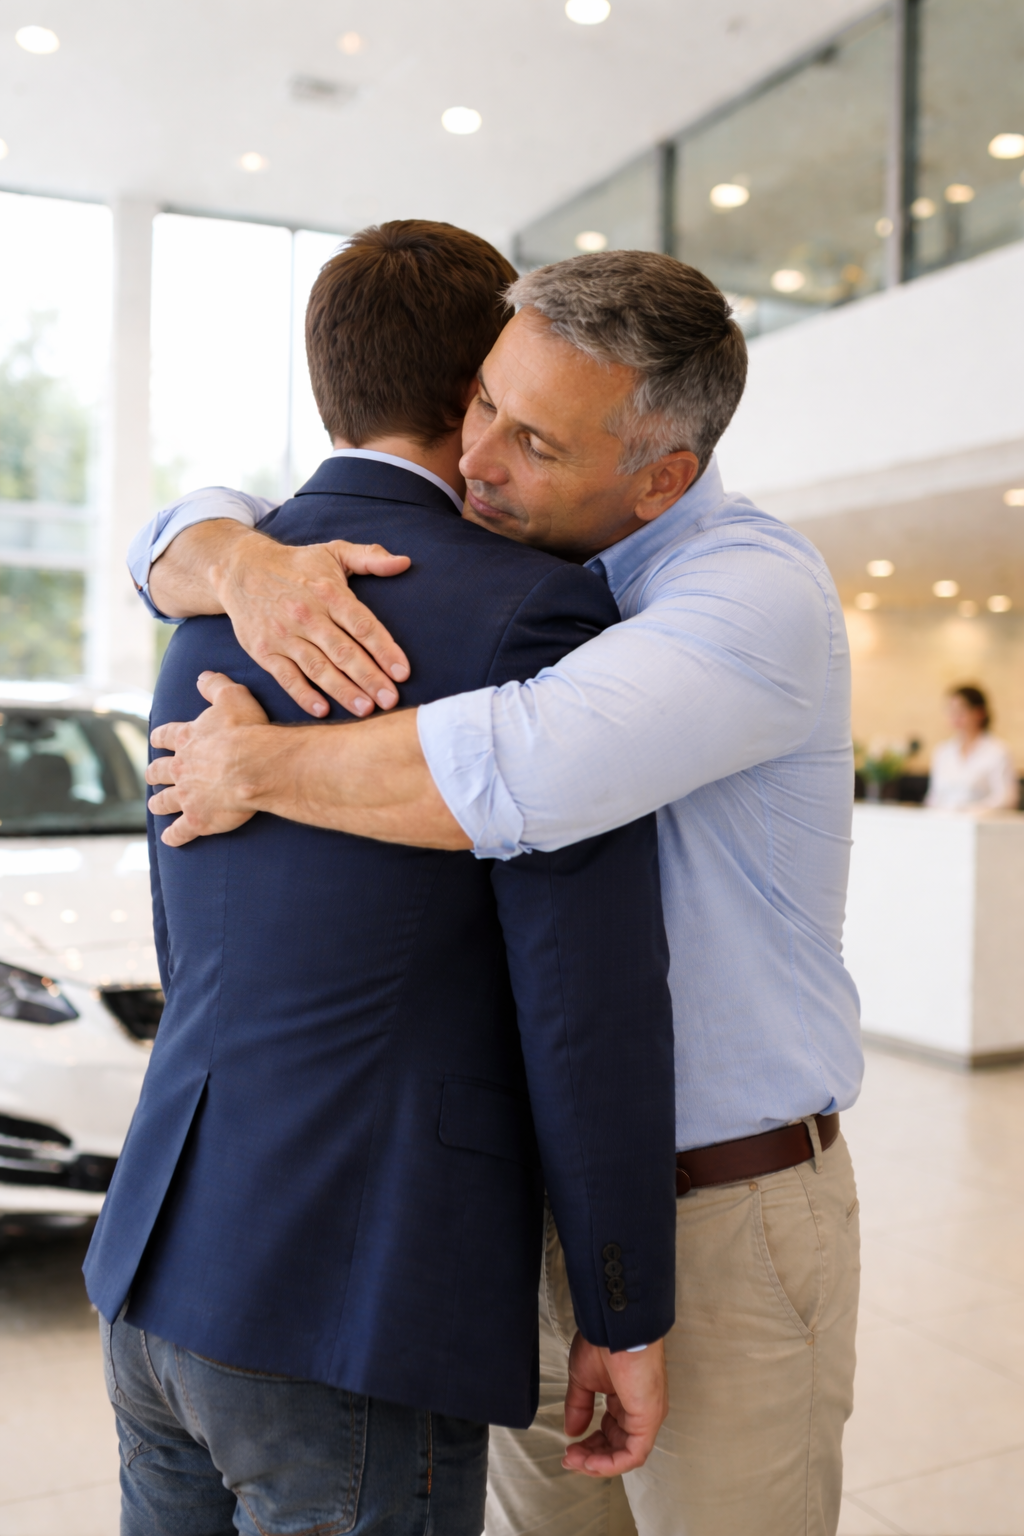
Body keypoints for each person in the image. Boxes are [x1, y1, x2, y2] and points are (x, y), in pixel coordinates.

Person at [137, 250, 864, 1536]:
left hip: (723, 1211)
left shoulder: (749, 596)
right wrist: (224, 556)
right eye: (479, 402)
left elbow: (520, 765)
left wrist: (254, 762)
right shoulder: (513, 551)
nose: (475, 460)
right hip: (526, 1207)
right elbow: (191, 523)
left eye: (530, 438)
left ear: (662, 477)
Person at [84, 223, 679, 1536]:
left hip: (162, 1256)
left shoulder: (215, 597)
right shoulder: (534, 611)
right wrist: (621, 1306)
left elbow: (197, 937)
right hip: (352, 1290)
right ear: (487, 380)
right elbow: (586, 1002)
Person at [924, 684, 1019, 812]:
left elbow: (1006, 798)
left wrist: (969, 810)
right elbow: (934, 797)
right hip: (943, 823)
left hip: (980, 824)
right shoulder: (942, 751)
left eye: (961, 710)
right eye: (951, 710)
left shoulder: (998, 751)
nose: (955, 716)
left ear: (979, 713)